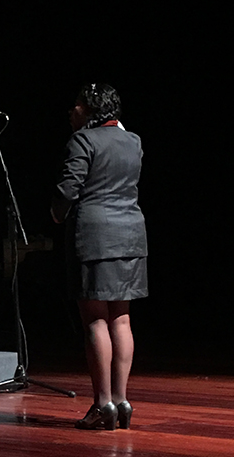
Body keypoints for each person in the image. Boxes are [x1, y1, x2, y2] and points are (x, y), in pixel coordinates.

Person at [51, 83, 147, 430]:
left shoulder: (82, 141)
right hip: (131, 234)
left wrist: (56, 213)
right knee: (122, 319)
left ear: (90, 110)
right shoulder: (133, 141)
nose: (71, 111)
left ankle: (102, 403)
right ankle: (122, 402)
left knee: (95, 320)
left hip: (94, 236)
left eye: (76, 105)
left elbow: (69, 187)